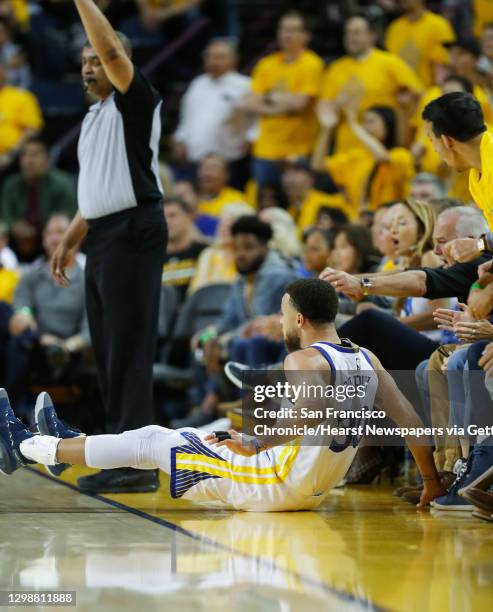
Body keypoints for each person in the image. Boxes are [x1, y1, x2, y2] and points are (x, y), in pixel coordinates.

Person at [1, 279, 446, 510]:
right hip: (310, 486)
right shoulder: (365, 357)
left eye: (283, 315)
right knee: (185, 434)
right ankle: (60, 447)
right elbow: (410, 421)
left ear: (301, 321)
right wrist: (430, 481)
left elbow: (308, 415)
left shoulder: (303, 360)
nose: (280, 322)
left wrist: (256, 441)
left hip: (275, 485)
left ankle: (25, 447)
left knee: (155, 440)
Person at [50, 1, 168, 494]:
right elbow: (98, 190)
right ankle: (123, 451)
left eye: (96, 59)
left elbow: (114, 50)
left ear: (120, 62)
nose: (89, 67)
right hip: (104, 235)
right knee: (110, 352)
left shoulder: (134, 101)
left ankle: (138, 463)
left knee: (129, 349)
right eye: (83, 62)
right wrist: (72, 237)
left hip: (134, 231)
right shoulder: (96, 117)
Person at [6, 214, 90, 413]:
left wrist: (65, 346)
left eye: (61, 232)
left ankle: (10, 415)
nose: (54, 238)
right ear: (43, 240)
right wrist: (25, 314)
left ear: (76, 237)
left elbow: (92, 329)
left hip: (67, 352)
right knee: (10, 323)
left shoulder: (88, 280)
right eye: (49, 233)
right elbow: (21, 307)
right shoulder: (31, 276)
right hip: (33, 344)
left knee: (19, 346)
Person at [240, 11, 324, 188]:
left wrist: (267, 98)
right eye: (284, 29)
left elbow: (300, 103)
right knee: (265, 205)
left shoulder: (312, 64)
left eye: (293, 30)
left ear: (306, 36)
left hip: (299, 151)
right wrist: (280, 104)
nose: (287, 34)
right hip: (265, 150)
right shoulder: (266, 64)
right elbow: (249, 102)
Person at [319, 16, 423, 154]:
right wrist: (336, 105)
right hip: (347, 152)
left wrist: (406, 108)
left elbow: (419, 94)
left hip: (382, 148)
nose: (351, 37)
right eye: (348, 33)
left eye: (356, 32)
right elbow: (325, 108)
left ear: (371, 36)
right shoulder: (335, 69)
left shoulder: (390, 62)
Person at [421, 92, 493, 265]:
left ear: (446, 140)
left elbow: (484, 243)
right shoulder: (476, 175)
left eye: (431, 140)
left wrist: (479, 244)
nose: (435, 150)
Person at [172, 39, 252, 189]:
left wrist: (251, 139)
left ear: (234, 60)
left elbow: (256, 120)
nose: (214, 61)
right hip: (196, 158)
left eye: (220, 57)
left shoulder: (245, 85)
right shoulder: (198, 84)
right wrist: (179, 138)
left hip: (230, 158)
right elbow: (187, 117)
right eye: (210, 56)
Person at [312, 102, 415, 219]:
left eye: (371, 122)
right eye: (364, 122)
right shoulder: (356, 156)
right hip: (360, 220)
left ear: (388, 125)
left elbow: (382, 157)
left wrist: (354, 125)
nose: (365, 127)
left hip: (392, 220)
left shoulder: (401, 155)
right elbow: (318, 165)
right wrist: (327, 128)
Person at [1, 136, 77, 262]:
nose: (29, 160)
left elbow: (69, 215)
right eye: (24, 155)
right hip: (15, 245)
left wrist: (42, 232)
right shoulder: (11, 184)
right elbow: (5, 216)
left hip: (53, 244)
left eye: (35, 154)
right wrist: (15, 227)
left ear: (47, 159)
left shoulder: (62, 183)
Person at [385, 0, 455, 87]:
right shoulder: (395, 27)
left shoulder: (439, 25)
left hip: (429, 92)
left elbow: (444, 63)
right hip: (401, 94)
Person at [281, 158, 348, 232]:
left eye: (296, 171)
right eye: (286, 171)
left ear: (311, 178)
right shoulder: (291, 211)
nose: (289, 178)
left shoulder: (329, 203)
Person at [161, 198, 206, 303]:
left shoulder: (204, 252)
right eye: (163, 217)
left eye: (173, 215)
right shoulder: (152, 258)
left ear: (188, 217)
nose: (168, 221)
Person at [0, 61, 43, 169]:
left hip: (14, 159)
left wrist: (11, 154)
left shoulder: (22, 97)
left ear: (4, 72)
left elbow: (32, 130)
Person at [196, 153, 247, 237]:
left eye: (213, 169)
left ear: (226, 175)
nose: (207, 174)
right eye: (204, 168)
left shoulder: (237, 200)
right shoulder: (190, 199)